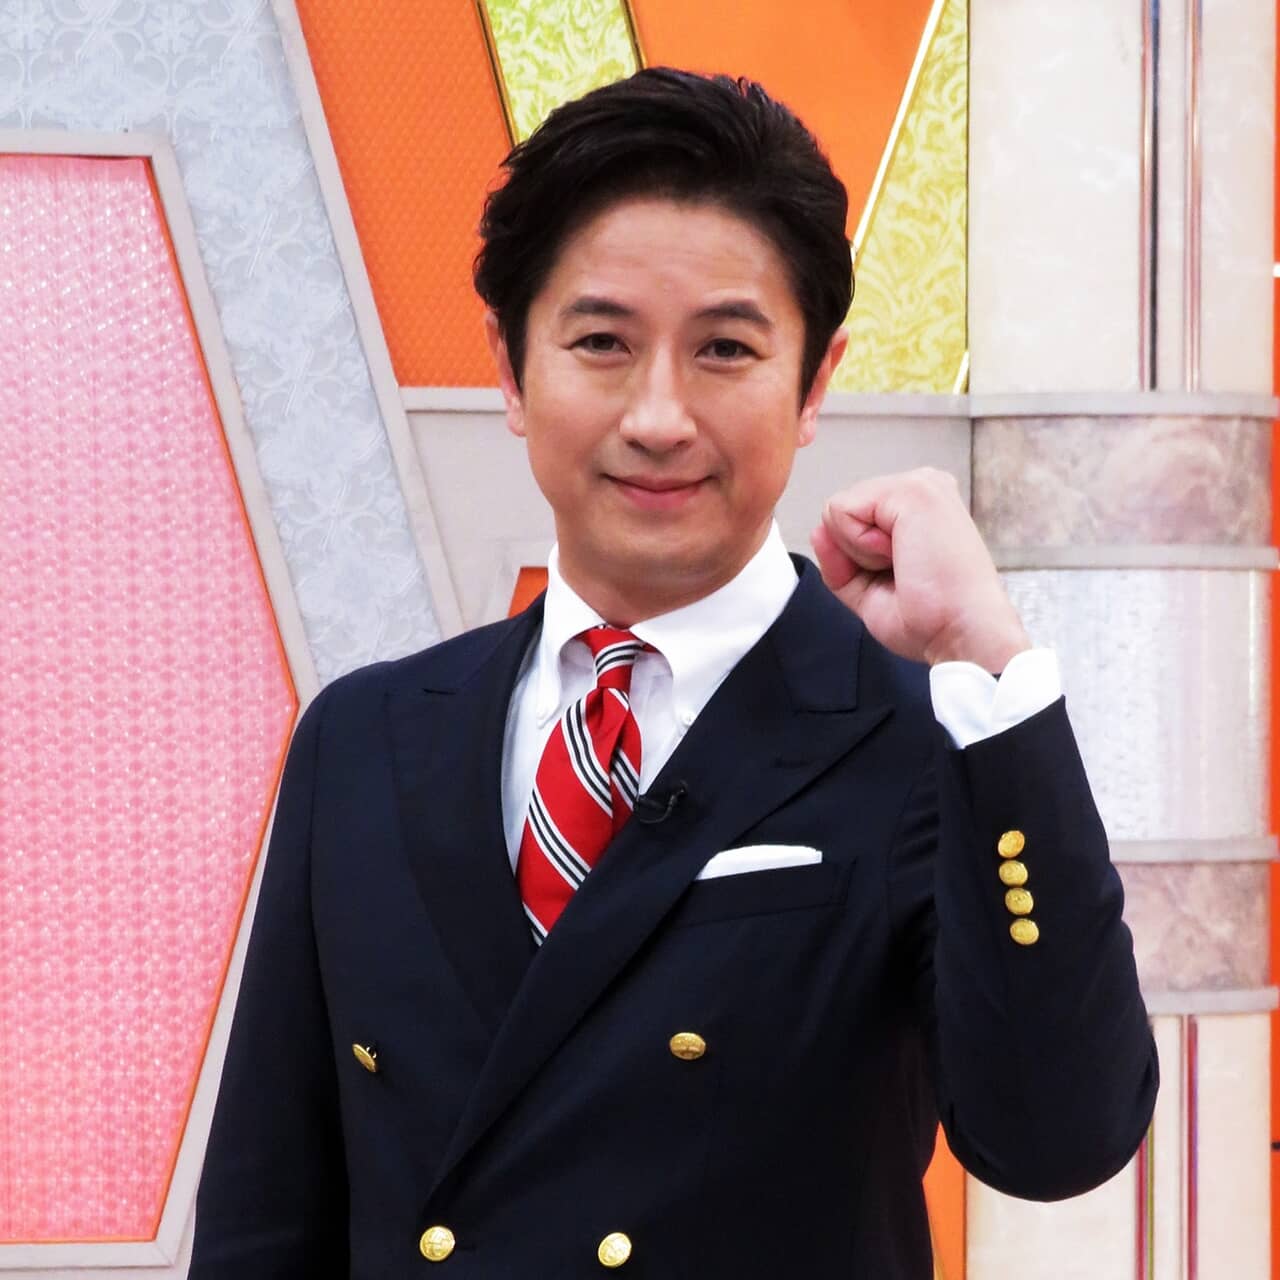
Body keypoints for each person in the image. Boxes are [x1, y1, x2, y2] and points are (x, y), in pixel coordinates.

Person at [190, 68, 1157, 1278]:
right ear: (509, 366)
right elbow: (264, 1219)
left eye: (723, 349)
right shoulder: (365, 736)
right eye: (600, 342)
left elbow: (1059, 1137)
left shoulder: (915, 733)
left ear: (812, 384)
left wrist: (990, 664)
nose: (658, 415)